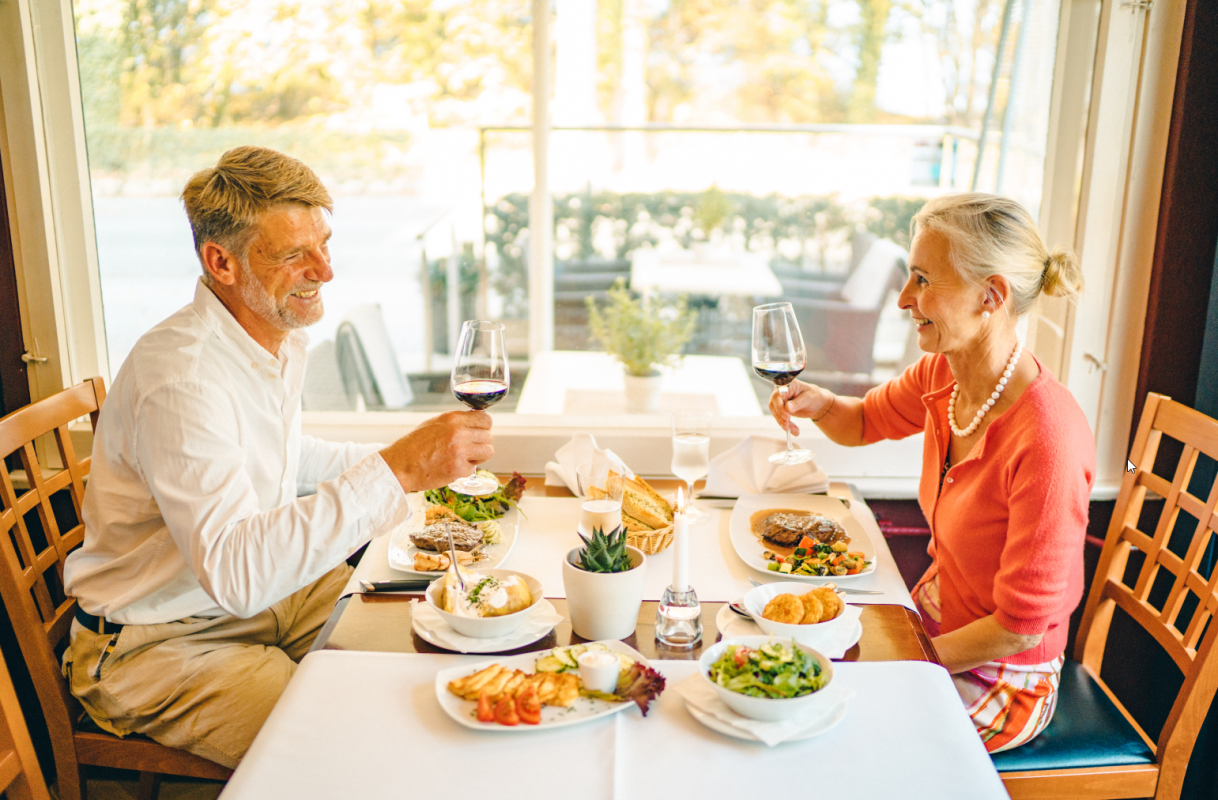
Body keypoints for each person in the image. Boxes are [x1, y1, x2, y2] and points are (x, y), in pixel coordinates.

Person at [62, 146, 493, 767]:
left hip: (254, 602)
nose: (325, 270)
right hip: (157, 646)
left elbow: (287, 458)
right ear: (222, 262)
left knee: (432, 635)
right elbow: (238, 571)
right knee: (351, 755)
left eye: (324, 244)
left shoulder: (271, 341)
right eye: (295, 254)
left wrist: (423, 471)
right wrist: (398, 469)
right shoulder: (182, 378)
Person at [770, 193, 1095, 752]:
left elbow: (1018, 627)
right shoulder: (942, 373)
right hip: (932, 622)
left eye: (922, 280)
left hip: (1002, 676)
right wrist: (818, 403)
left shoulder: (1049, 437)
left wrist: (900, 661)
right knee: (788, 679)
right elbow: (864, 421)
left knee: (830, 736)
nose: (902, 299)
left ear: (989, 296)